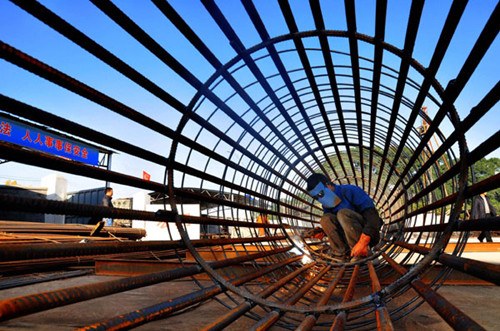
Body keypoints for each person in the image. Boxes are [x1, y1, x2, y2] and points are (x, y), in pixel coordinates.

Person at [306, 173, 382, 262]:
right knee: (325, 219)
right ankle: (340, 255)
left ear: (328, 185)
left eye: (320, 194)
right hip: (347, 241)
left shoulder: (351, 191)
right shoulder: (327, 205)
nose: (320, 199)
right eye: (316, 197)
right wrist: (322, 232)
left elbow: (373, 217)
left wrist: (363, 243)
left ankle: (360, 255)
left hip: (369, 236)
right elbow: (336, 227)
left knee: (343, 213)